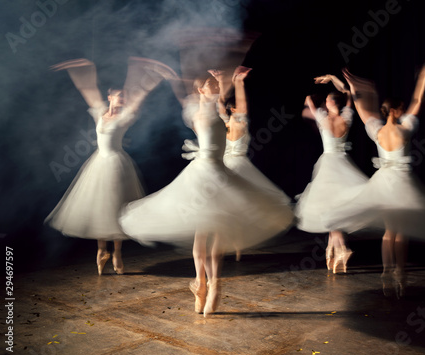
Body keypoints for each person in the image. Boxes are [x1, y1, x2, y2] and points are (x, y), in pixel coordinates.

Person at [119, 70, 294, 316]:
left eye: (216, 85)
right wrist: (171, 78)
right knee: (201, 236)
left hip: (218, 173)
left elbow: (231, 105)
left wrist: (233, 82)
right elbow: (189, 98)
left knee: (216, 234)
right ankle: (201, 281)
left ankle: (214, 284)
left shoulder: (221, 113)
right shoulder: (198, 112)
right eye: (211, 85)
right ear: (202, 91)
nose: (217, 87)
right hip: (201, 174)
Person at [332, 57, 425, 297]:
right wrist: (423, 77)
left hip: (383, 183)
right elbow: (418, 101)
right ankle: (400, 273)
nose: (404, 111)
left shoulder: (378, 131)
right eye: (401, 108)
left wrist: (354, 88)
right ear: (396, 110)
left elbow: (363, 109)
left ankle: (386, 271)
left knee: (389, 231)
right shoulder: (405, 129)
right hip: (401, 183)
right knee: (400, 232)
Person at [45, 57, 166, 276]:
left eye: (124, 97)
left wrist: (154, 74)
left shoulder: (126, 116)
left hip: (117, 164)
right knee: (101, 207)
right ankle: (102, 250)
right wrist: (80, 68)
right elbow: (87, 89)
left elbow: (141, 94)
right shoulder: (100, 112)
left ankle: (118, 252)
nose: (122, 99)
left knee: (117, 207)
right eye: (118, 96)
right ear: (110, 97)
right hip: (99, 163)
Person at [206, 67, 292, 261]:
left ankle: (235, 244)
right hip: (230, 165)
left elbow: (235, 105)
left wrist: (237, 82)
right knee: (230, 208)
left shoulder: (235, 122)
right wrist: (229, 82)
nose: (239, 109)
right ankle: (234, 244)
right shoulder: (227, 122)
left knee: (233, 207)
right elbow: (220, 104)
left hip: (231, 165)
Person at [295, 75, 368, 273]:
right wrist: (334, 79)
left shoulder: (323, 118)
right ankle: (332, 252)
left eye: (327, 100)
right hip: (344, 163)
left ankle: (342, 249)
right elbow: (348, 94)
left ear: (329, 103)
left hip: (328, 165)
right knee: (334, 210)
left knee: (331, 213)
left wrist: (318, 85)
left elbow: (309, 100)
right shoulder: (346, 117)